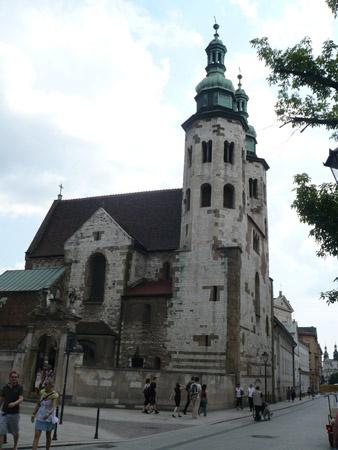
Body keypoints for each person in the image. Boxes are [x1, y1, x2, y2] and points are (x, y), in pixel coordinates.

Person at [31, 379, 59, 450]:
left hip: (48, 418)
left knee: (48, 435)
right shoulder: (42, 392)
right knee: (36, 436)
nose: (44, 386)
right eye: (44, 384)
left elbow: (54, 406)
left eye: (46, 384)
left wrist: (49, 413)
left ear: (50, 386)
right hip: (40, 416)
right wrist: (33, 414)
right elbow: (38, 403)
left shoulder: (54, 395)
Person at [0, 370, 24, 450]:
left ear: (17, 378)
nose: (14, 378)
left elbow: (21, 398)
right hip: (4, 412)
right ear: (9, 378)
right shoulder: (5, 387)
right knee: (1, 431)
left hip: (14, 414)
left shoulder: (19, 387)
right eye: (12, 377)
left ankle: (15, 446)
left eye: (15, 377)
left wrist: (14, 403)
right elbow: (2, 399)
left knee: (15, 432)